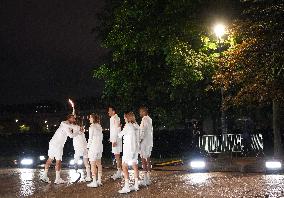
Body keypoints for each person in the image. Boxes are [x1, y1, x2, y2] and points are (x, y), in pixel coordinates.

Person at [41, 114, 82, 184]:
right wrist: (78, 129)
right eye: (73, 118)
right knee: (58, 160)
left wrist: (77, 130)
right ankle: (57, 179)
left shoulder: (67, 125)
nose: (74, 120)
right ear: (69, 118)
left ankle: (45, 176)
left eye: (75, 119)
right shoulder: (64, 123)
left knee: (50, 159)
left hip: (54, 143)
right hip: (58, 144)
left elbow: (71, 129)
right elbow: (71, 135)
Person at [118, 112, 140, 194]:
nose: (124, 119)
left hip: (128, 149)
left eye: (124, 117)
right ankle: (136, 185)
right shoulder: (136, 126)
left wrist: (118, 128)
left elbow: (120, 135)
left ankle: (127, 186)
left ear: (127, 117)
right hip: (135, 149)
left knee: (124, 166)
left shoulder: (127, 126)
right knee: (135, 166)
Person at [72, 117, 91, 182]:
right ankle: (88, 177)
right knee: (86, 162)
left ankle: (75, 165)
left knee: (76, 157)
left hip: (78, 146)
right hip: (84, 146)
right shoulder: (81, 127)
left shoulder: (75, 127)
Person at [87, 114, 104, 188]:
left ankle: (94, 182)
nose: (89, 119)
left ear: (93, 118)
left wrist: (87, 147)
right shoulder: (99, 126)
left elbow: (90, 138)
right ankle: (99, 180)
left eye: (90, 117)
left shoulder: (92, 127)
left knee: (92, 164)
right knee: (99, 164)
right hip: (99, 147)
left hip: (93, 147)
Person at [139, 107, 153, 186]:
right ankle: (148, 178)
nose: (140, 113)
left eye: (140, 111)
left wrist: (139, 140)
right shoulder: (150, 119)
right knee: (148, 159)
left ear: (144, 112)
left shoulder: (144, 119)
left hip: (144, 142)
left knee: (143, 159)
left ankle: (145, 179)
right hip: (149, 142)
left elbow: (142, 131)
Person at [108, 106, 123, 180]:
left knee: (117, 156)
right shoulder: (113, 118)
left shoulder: (115, 118)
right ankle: (119, 171)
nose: (108, 112)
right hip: (116, 139)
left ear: (113, 111)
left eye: (109, 111)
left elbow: (117, 130)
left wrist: (114, 140)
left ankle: (119, 172)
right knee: (117, 156)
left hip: (116, 140)